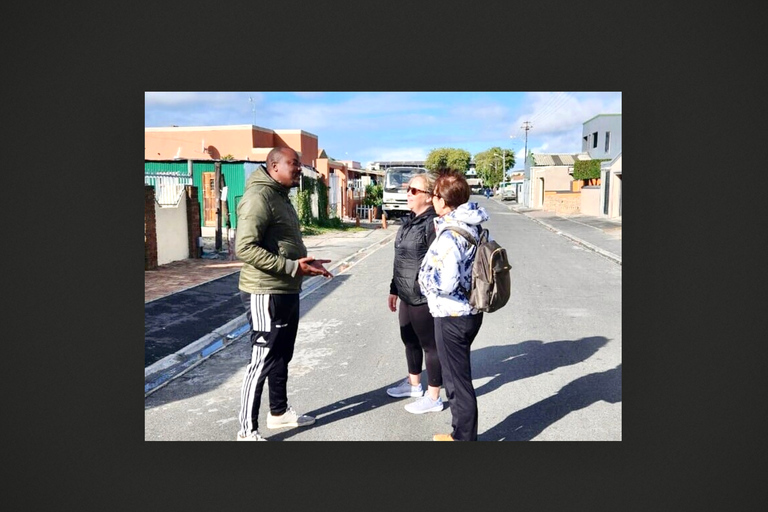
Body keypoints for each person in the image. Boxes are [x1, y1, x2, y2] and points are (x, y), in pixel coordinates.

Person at [235, 147, 333, 441]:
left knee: (281, 356)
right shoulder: (258, 197)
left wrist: (303, 264)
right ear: (274, 166)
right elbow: (245, 248)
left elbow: (280, 244)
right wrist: (291, 266)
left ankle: (278, 413)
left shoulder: (280, 196)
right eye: (294, 164)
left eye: (300, 164)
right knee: (262, 359)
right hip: (265, 291)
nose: (300, 169)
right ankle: (246, 430)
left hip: (286, 289)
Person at [418, 169, 489, 441]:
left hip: (452, 315)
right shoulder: (471, 224)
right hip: (468, 311)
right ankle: (460, 433)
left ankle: (463, 439)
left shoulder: (449, 234)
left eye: (435, 194)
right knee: (459, 377)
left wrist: (423, 281)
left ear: (442, 200)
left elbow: (445, 281)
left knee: (457, 382)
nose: (433, 199)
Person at [386, 172, 444, 414]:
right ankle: (413, 385)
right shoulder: (409, 221)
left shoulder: (432, 224)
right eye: (407, 189)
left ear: (430, 197)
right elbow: (401, 259)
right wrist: (393, 289)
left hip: (423, 297)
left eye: (414, 190)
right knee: (409, 340)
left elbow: (437, 262)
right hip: (406, 294)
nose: (408, 194)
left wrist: (427, 290)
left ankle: (434, 397)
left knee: (430, 346)